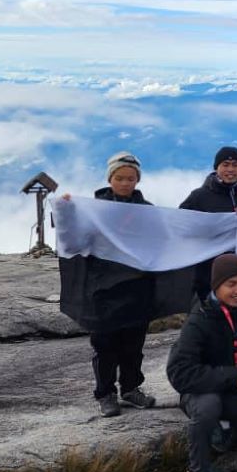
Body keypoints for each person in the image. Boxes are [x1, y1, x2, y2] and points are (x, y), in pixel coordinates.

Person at [166, 254, 237, 472]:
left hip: (235, 388)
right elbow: (179, 372)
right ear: (216, 286)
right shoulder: (199, 320)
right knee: (209, 407)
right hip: (199, 389)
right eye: (231, 284)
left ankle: (222, 431)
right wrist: (234, 376)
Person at [62, 151, 158, 417]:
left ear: (137, 180)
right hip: (103, 289)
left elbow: (160, 242)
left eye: (130, 178)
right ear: (110, 178)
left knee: (133, 345)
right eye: (120, 178)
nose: (125, 183)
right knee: (105, 345)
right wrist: (66, 211)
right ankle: (105, 394)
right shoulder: (93, 210)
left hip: (137, 288)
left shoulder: (147, 211)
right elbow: (74, 243)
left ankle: (130, 388)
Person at [180, 146, 237, 302]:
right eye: (225, 165)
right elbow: (181, 224)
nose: (230, 169)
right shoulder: (199, 197)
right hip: (208, 274)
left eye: (235, 165)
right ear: (216, 168)